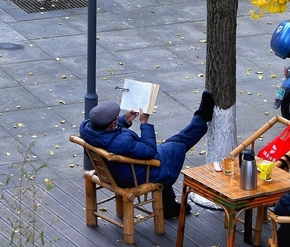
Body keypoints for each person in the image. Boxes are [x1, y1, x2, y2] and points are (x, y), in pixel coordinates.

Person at [79, 91, 215, 219]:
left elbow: (108, 136)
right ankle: (202, 117)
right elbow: (150, 151)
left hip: (112, 172)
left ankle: (169, 206)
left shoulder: (88, 130)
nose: (117, 120)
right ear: (111, 124)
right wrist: (145, 123)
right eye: (115, 119)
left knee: (171, 145)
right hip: (134, 174)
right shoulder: (123, 143)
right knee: (177, 144)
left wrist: (125, 120)